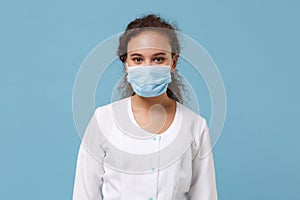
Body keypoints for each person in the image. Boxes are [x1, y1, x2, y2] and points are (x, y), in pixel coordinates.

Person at [72, 13, 218, 200]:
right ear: (126, 63)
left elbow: (205, 196)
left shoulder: (195, 126)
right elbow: (84, 194)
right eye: (138, 59)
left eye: (158, 59)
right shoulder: (103, 120)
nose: (147, 68)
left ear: (173, 62)